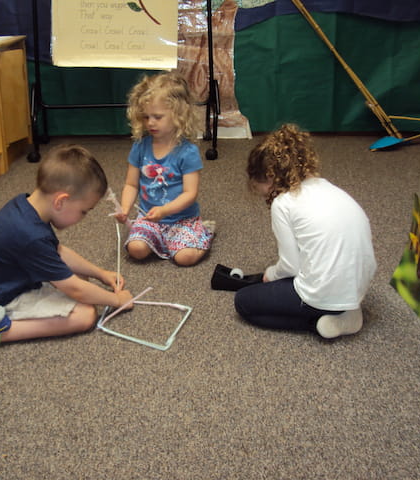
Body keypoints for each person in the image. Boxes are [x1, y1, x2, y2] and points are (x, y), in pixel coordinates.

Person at [0, 144, 134, 350]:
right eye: (83, 211)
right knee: (85, 315)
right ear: (60, 201)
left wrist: (100, 273)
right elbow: (75, 289)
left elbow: (57, 251)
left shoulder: (26, 206)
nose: (82, 218)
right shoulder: (30, 236)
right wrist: (116, 300)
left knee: (81, 278)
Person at [234, 124, 377, 339]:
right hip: (359, 286)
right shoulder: (326, 186)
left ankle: (321, 321)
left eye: (259, 187)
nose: (262, 194)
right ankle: (346, 309)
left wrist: (271, 274)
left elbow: (291, 266)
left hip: (322, 293)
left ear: (269, 176)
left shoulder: (282, 203)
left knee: (244, 302)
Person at [114, 71, 214, 267]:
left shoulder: (187, 151)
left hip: (182, 219)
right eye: (146, 117)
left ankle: (205, 232)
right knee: (136, 249)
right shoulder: (140, 146)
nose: (150, 122)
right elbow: (131, 184)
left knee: (184, 258)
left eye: (157, 117)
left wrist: (165, 210)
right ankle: (164, 241)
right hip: (149, 217)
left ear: (178, 114)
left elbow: (190, 193)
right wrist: (125, 208)